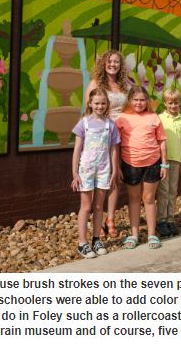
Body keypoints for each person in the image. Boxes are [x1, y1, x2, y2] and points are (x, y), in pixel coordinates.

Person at [71, 88, 121, 258]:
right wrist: (75, 173)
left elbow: (114, 149)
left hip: (103, 170)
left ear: (107, 104)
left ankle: (96, 239)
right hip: (86, 170)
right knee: (86, 206)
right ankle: (82, 243)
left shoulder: (110, 125)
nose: (100, 106)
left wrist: (114, 170)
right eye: (97, 103)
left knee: (99, 206)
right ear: (90, 104)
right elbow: (77, 150)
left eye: (103, 103)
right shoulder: (83, 123)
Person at [115, 86, 167, 249]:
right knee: (134, 199)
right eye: (136, 100)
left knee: (149, 199)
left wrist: (164, 164)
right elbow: (116, 145)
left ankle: (152, 235)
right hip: (130, 163)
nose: (139, 103)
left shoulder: (154, 117)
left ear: (147, 101)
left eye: (142, 100)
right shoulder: (122, 118)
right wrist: (117, 166)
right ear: (130, 100)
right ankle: (134, 235)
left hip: (153, 162)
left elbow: (162, 141)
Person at [84, 50, 128, 239]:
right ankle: (97, 218)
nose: (113, 65)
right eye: (109, 61)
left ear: (121, 65)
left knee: (114, 176)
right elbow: (88, 111)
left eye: (116, 62)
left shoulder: (124, 85)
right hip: (101, 136)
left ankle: (110, 219)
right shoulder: (95, 84)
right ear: (103, 63)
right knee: (99, 178)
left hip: (121, 136)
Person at [156, 88, 181, 237]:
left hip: (176, 159)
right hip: (163, 159)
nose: (173, 106)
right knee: (163, 190)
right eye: (170, 103)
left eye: (176, 103)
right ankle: (161, 220)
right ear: (165, 103)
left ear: (179, 103)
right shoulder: (159, 118)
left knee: (173, 190)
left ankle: (170, 219)